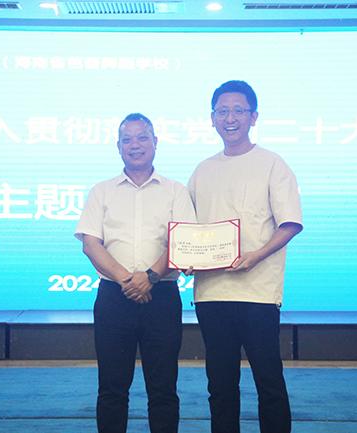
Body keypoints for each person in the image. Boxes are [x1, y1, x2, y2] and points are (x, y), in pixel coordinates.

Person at [187, 80, 303, 433]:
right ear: (212, 118)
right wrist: (185, 256)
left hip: (258, 293)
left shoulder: (272, 164)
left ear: (254, 117)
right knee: (220, 384)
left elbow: (290, 223)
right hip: (211, 293)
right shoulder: (203, 170)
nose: (230, 118)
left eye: (238, 110)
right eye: (222, 111)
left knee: (269, 381)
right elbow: (187, 231)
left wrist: (256, 255)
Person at [75, 113, 196, 433]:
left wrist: (150, 277)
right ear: (118, 147)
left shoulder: (176, 191)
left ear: (155, 142)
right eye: (127, 139)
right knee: (112, 388)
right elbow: (90, 243)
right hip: (114, 297)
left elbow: (183, 242)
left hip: (162, 297)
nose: (135, 145)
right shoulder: (102, 191)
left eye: (142, 137)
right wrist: (127, 280)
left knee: (163, 388)